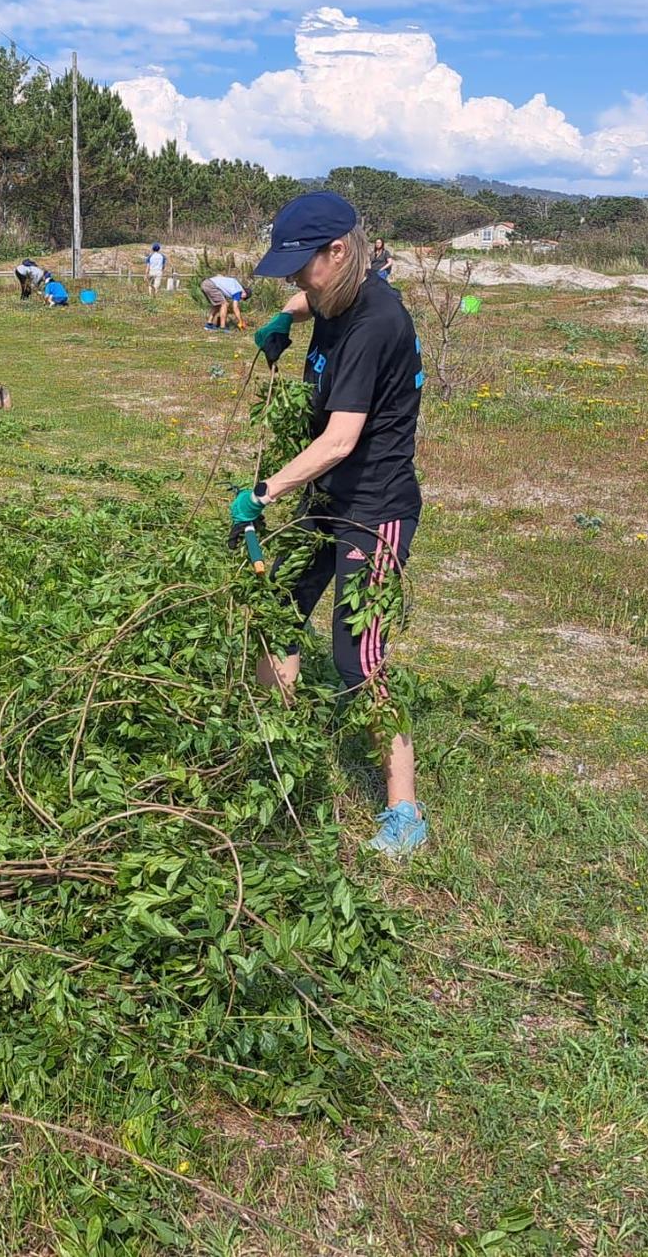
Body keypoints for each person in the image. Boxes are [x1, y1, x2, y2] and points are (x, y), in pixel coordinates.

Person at [233, 191, 428, 857]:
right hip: (328, 498)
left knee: (356, 656)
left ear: (339, 252)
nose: (293, 279)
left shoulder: (377, 323)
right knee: (275, 609)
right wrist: (280, 320)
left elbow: (342, 438)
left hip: (374, 509)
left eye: (299, 266)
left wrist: (262, 493)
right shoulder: (335, 295)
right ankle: (280, 753)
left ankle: (405, 810)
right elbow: (307, 301)